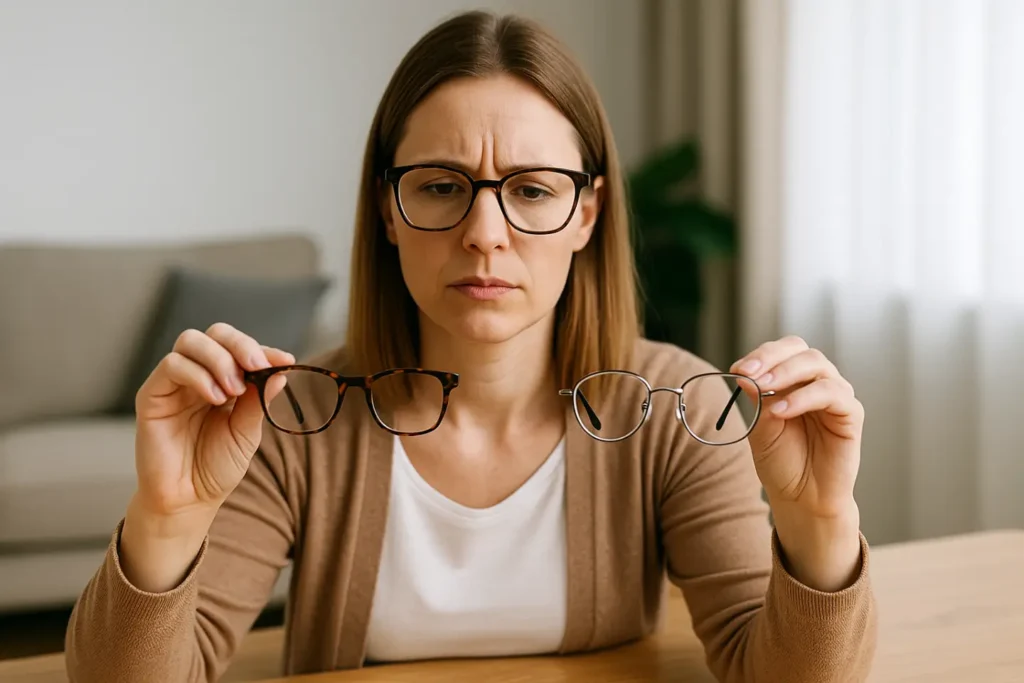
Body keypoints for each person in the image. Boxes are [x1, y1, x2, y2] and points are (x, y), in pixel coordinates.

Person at [65, 10, 876, 683]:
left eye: (531, 190)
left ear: (587, 213)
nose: (485, 235)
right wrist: (166, 519)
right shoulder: (293, 416)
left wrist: (819, 523)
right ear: (389, 208)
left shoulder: (677, 408)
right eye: (442, 187)